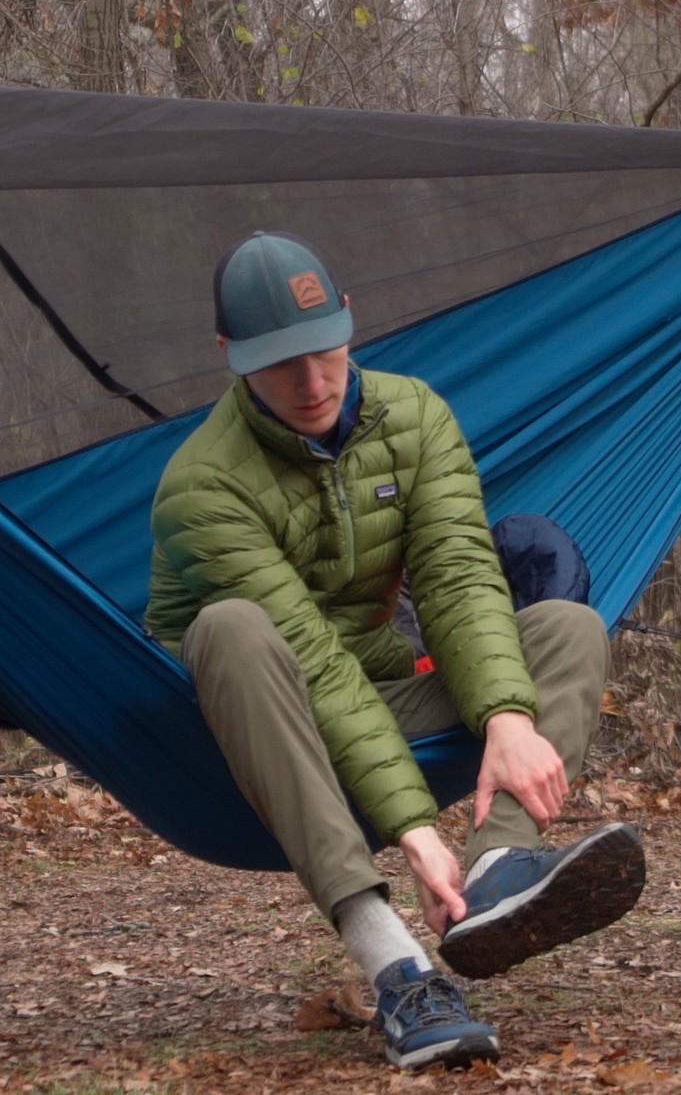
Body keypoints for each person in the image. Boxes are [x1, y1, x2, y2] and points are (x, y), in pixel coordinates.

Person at [145, 232, 645, 1070]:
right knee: (228, 626)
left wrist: (509, 717)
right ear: (230, 357)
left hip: (380, 692)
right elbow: (311, 658)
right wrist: (414, 827)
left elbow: (456, 577)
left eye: (323, 350)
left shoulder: (413, 415)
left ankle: (495, 874)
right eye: (278, 363)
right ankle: (399, 969)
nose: (311, 382)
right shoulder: (201, 485)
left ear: (349, 324)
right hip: (251, 727)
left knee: (566, 626)